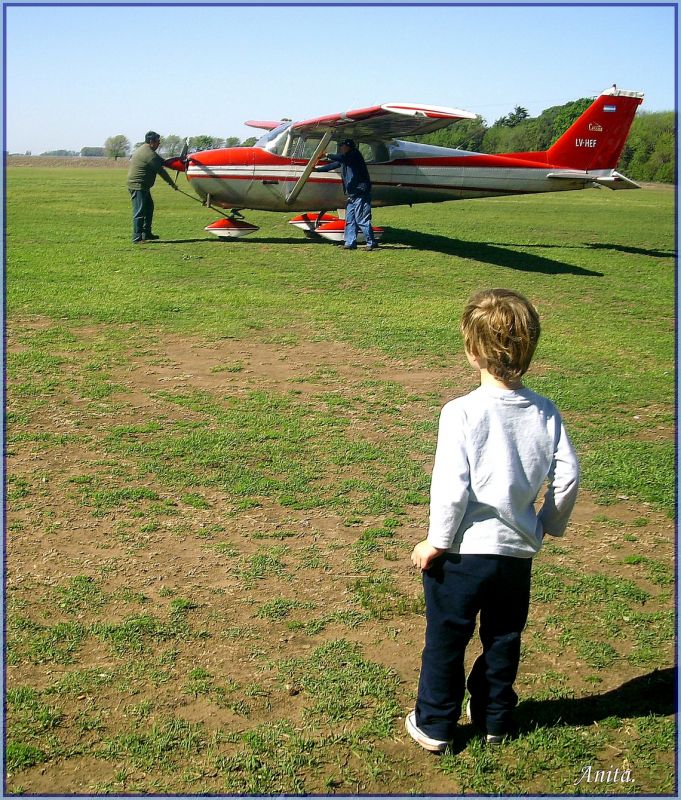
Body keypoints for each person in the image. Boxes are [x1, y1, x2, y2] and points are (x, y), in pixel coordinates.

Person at [405, 288, 580, 753]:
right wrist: (547, 525)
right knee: (503, 638)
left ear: (471, 350)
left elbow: (451, 486)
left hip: (461, 554)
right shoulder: (546, 412)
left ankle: (435, 725)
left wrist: (435, 541)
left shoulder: (461, 412)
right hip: (515, 555)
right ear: (529, 349)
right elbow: (567, 476)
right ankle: (494, 719)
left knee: (447, 639)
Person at [313, 139, 377, 250]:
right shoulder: (346, 158)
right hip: (352, 195)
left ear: (348, 146)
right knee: (350, 220)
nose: (340, 148)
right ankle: (350, 243)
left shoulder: (354, 155)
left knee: (361, 219)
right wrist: (316, 170)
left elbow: (341, 158)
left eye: (342, 146)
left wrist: (326, 154)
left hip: (360, 193)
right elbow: (332, 165)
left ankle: (371, 243)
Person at [127, 131, 178, 243]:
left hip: (143, 186)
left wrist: (179, 161)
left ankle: (146, 233)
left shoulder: (148, 150)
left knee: (149, 208)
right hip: (138, 185)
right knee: (140, 211)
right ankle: (137, 237)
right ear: (151, 142)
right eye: (158, 141)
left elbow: (163, 162)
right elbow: (161, 170)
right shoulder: (149, 154)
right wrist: (172, 184)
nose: (159, 143)